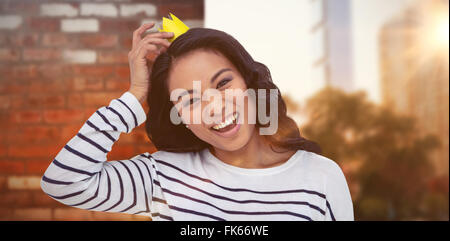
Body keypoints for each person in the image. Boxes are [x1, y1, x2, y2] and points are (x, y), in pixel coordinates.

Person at [41, 22, 354, 221]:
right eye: (190, 100)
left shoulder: (321, 177)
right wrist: (136, 95)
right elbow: (64, 182)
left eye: (222, 83)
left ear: (248, 82)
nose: (214, 107)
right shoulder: (161, 176)